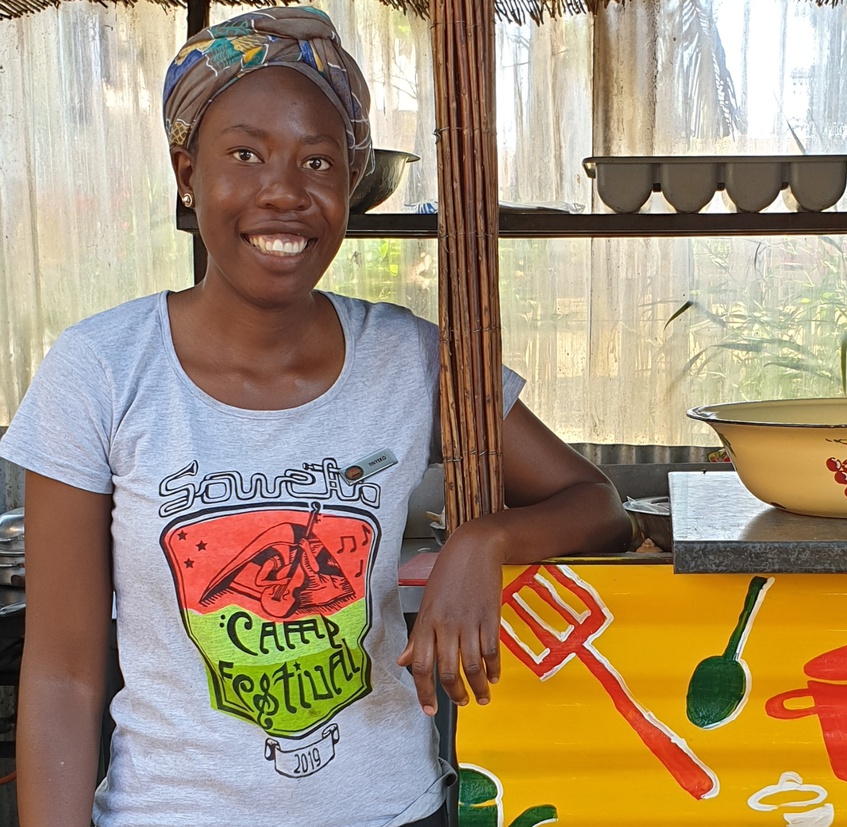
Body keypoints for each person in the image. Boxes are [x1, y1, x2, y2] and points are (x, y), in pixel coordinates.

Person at [0, 7, 632, 827]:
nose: (284, 192)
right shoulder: (101, 370)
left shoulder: (410, 360)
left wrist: (485, 541)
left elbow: (603, 506)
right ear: (186, 172)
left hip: (388, 811)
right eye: (245, 154)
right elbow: (62, 672)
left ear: (349, 183)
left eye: (318, 161)